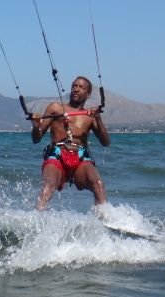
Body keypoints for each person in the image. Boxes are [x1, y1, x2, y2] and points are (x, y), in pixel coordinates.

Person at [29, 76, 111, 210]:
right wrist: (36, 126)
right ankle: (37, 216)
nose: (76, 89)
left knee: (98, 184)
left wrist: (98, 119)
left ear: (88, 93)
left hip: (80, 157)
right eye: (74, 86)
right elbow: (36, 139)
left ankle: (105, 220)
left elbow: (106, 142)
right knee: (48, 184)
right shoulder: (55, 108)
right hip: (57, 155)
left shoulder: (90, 115)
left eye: (81, 87)